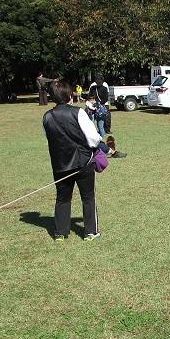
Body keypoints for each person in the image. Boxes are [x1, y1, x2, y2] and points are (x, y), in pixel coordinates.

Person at [42, 80, 104, 241]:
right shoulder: (78, 112)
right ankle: (91, 231)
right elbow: (93, 138)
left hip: (60, 164)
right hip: (83, 163)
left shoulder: (47, 116)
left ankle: (60, 232)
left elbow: (51, 139)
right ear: (69, 95)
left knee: (62, 198)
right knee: (88, 197)